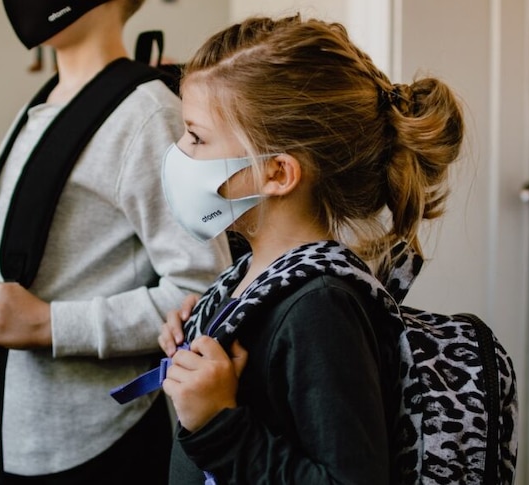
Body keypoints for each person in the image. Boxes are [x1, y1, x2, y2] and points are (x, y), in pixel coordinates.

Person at [0, 0, 231, 483]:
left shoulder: (149, 116)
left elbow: (204, 291)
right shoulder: (40, 107)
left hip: (98, 441)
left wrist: (50, 324)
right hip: (14, 434)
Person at [156, 14, 465, 484]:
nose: (180, 152)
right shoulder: (254, 275)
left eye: (197, 137)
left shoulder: (320, 308)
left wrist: (220, 425)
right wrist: (201, 336)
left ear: (278, 173)